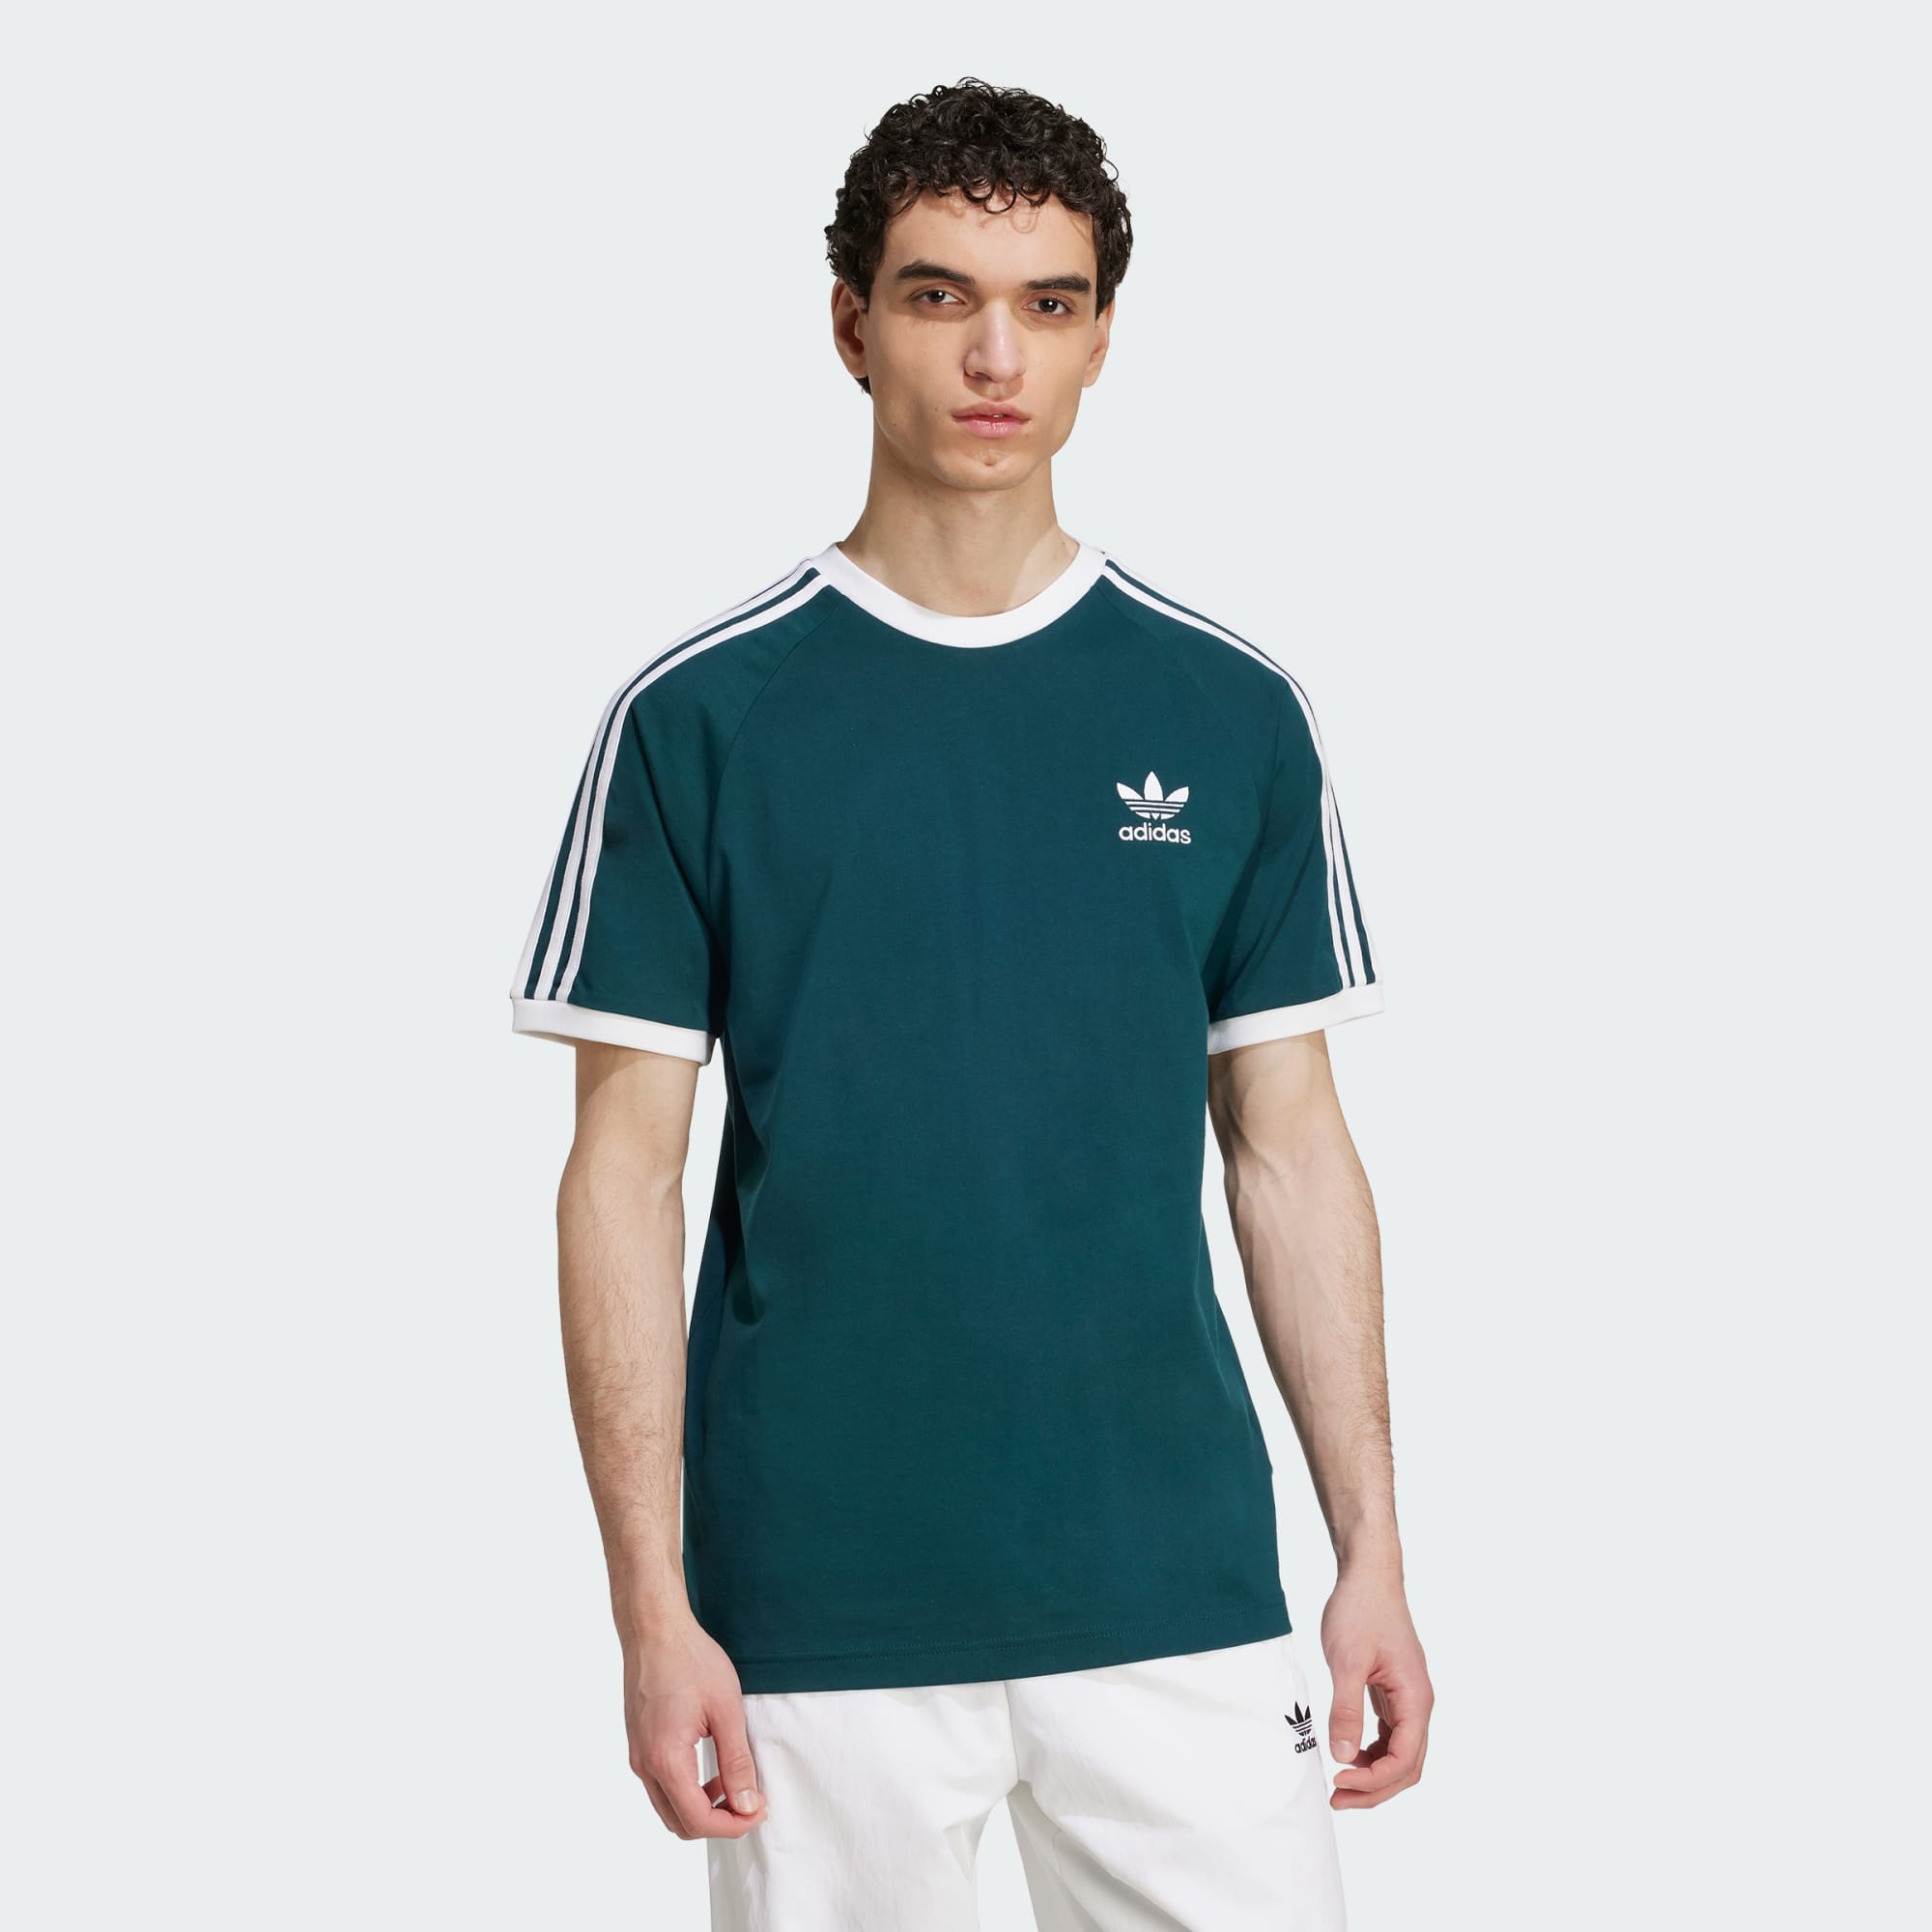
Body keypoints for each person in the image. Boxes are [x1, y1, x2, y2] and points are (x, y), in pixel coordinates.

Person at [509, 76, 1431, 1932]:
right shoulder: (697, 722)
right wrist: (650, 1608)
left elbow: (1292, 1152)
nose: (996, 357)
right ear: (852, 325)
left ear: (1101, 336)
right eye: (940, 298)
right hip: (818, 1609)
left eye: (1048, 303)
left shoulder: (1228, 711)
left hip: (1175, 1585)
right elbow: (622, 1178)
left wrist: (1373, 1551)